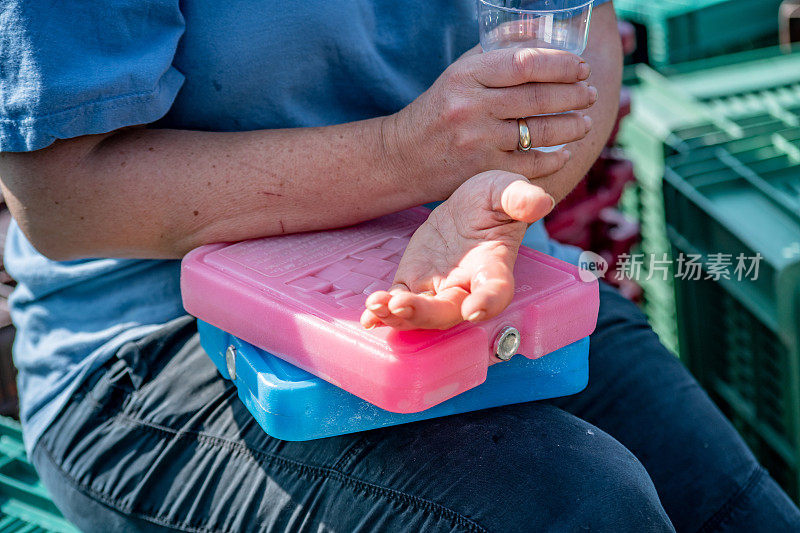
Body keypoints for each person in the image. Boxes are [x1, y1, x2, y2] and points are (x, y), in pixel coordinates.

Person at [0, 1, 798, 531]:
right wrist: (408, 156)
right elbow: (65, 202)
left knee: (736, 512)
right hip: (155, 335)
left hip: (485, 270)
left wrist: (505, 201)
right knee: (576, 508)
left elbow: (577, 32)